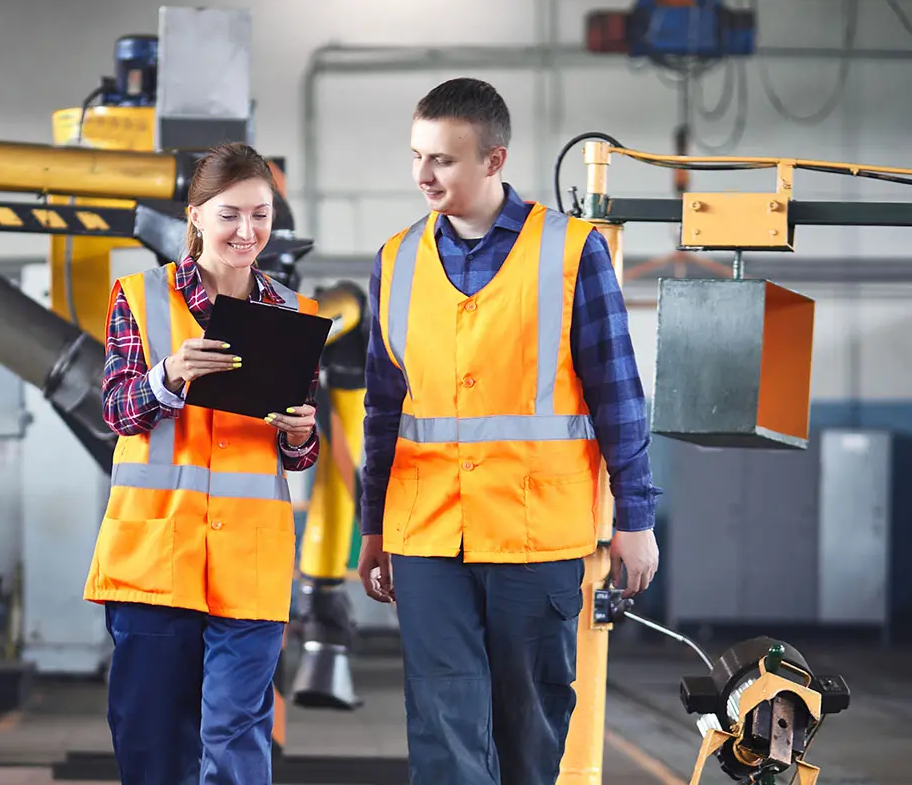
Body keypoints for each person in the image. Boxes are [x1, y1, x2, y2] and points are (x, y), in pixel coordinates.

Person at [356, 78, 663, 785]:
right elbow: (383, 410)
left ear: (494, 160)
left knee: (528, 721)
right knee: (442, 719)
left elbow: (618, 394)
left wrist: (636, 520)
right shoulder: (396, 260)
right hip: (427, 532)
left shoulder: (572, 252)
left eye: (443, 159)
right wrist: (373, 526)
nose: (424, 175)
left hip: (534, 530)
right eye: (417, 156)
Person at [84, 141, 321, 785]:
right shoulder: (140, 297)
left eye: (260, 215)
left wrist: (302, 433)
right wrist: (167, 375)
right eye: (229, 215)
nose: (247, 232)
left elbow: (298, 454)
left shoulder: (293, 316)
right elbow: (117, 412)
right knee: (153, 739)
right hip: (156, 558)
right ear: (195, 216)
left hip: (250, 561)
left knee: (236, 734)